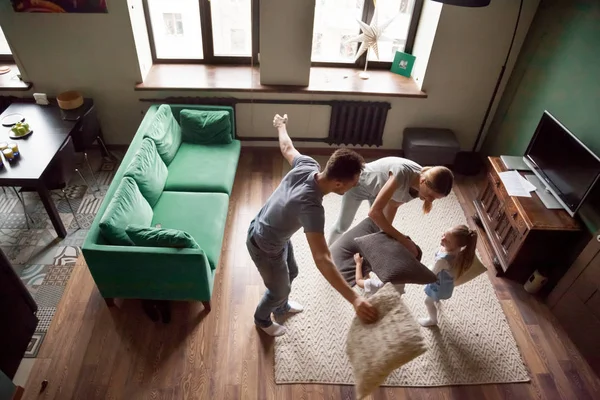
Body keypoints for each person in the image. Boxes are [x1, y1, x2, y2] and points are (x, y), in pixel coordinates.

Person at [246, 113, 379, 337]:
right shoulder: (312, 208)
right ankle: (261, 320)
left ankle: (281, 307)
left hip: (272, 232)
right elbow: (322, 259)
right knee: (279, 289)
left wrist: (281, 125)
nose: (355, 187)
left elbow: (287, 147)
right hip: (264, 245)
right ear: (338, 183)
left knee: (293, 271)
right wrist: (355, 299)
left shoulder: (309, 165)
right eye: (353, 183)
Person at [327, 157, 454, 258]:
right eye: (430, 195)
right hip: (358, 186)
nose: (430, 200)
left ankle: (363, 263)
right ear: (423, 181)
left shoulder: (419, 190)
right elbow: (374, 213)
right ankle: (327, 254)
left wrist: (385, 234)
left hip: (377, 192)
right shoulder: (401, 174)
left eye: (435, 199)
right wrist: (402, 239)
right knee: (342, 226)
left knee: (377, 230)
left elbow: (393, 205)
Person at [418, 225, 478, 327]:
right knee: (434, 297)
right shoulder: (459, 251)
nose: (443, 239)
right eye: (444, 234)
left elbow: (431, 274)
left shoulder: (443, 260)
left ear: (456, 245)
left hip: (439, 285)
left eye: (448, 241)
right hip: (446, 281)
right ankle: (436, 299)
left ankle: (432, 320)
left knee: (428, 302)